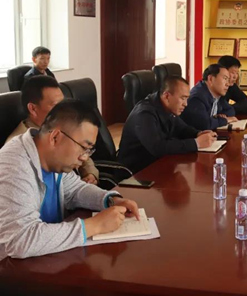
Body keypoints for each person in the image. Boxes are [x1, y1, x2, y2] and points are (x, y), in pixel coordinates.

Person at [0, 99, 140, 260]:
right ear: (55, 137)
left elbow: (75, 190)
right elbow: (20, 240)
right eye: (83, 148)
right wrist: (94, 226)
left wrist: (110, 200)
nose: (84, 158)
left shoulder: (53, 161)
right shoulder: (14, 165)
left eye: (89, 150)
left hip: (49, 257)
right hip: (12, 268)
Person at [6, 76, 99, 185]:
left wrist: (90, 174)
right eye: (56, 106)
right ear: (33, 109)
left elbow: (81, 149)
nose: (64, 110)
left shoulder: (62, 127)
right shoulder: (20, 149)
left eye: (63, 104)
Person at [118, 76, 216, 174]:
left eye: (187, 98)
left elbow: (182, 129)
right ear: (167, 96)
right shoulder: (144, 114)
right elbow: (157, 147)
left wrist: (198, 134)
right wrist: (196, 143)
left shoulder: (166, 107)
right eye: (183, 98)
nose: (186, 104)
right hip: (135, 173)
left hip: (157, 165)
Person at [181, 64, 238, 131]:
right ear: (211, 79)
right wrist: (225, 120)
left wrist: (220, 116)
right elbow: (204, 124)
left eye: (228, 80)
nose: (227, 84)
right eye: (225, 78)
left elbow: (231, 110)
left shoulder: (216, 94)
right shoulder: (197, 97)